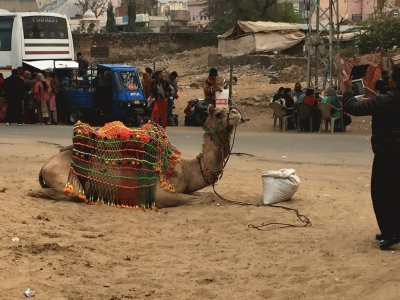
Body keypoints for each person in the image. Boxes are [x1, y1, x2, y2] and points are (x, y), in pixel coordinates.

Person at [340, 67, 400, 250]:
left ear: (394, 81)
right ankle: (392, 229)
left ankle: (391, 233)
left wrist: (347, 91)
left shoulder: (386, 101)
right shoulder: (385, 100)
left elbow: (353, 108)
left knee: (382, 193)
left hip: (387, 153)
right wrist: (376, 98)